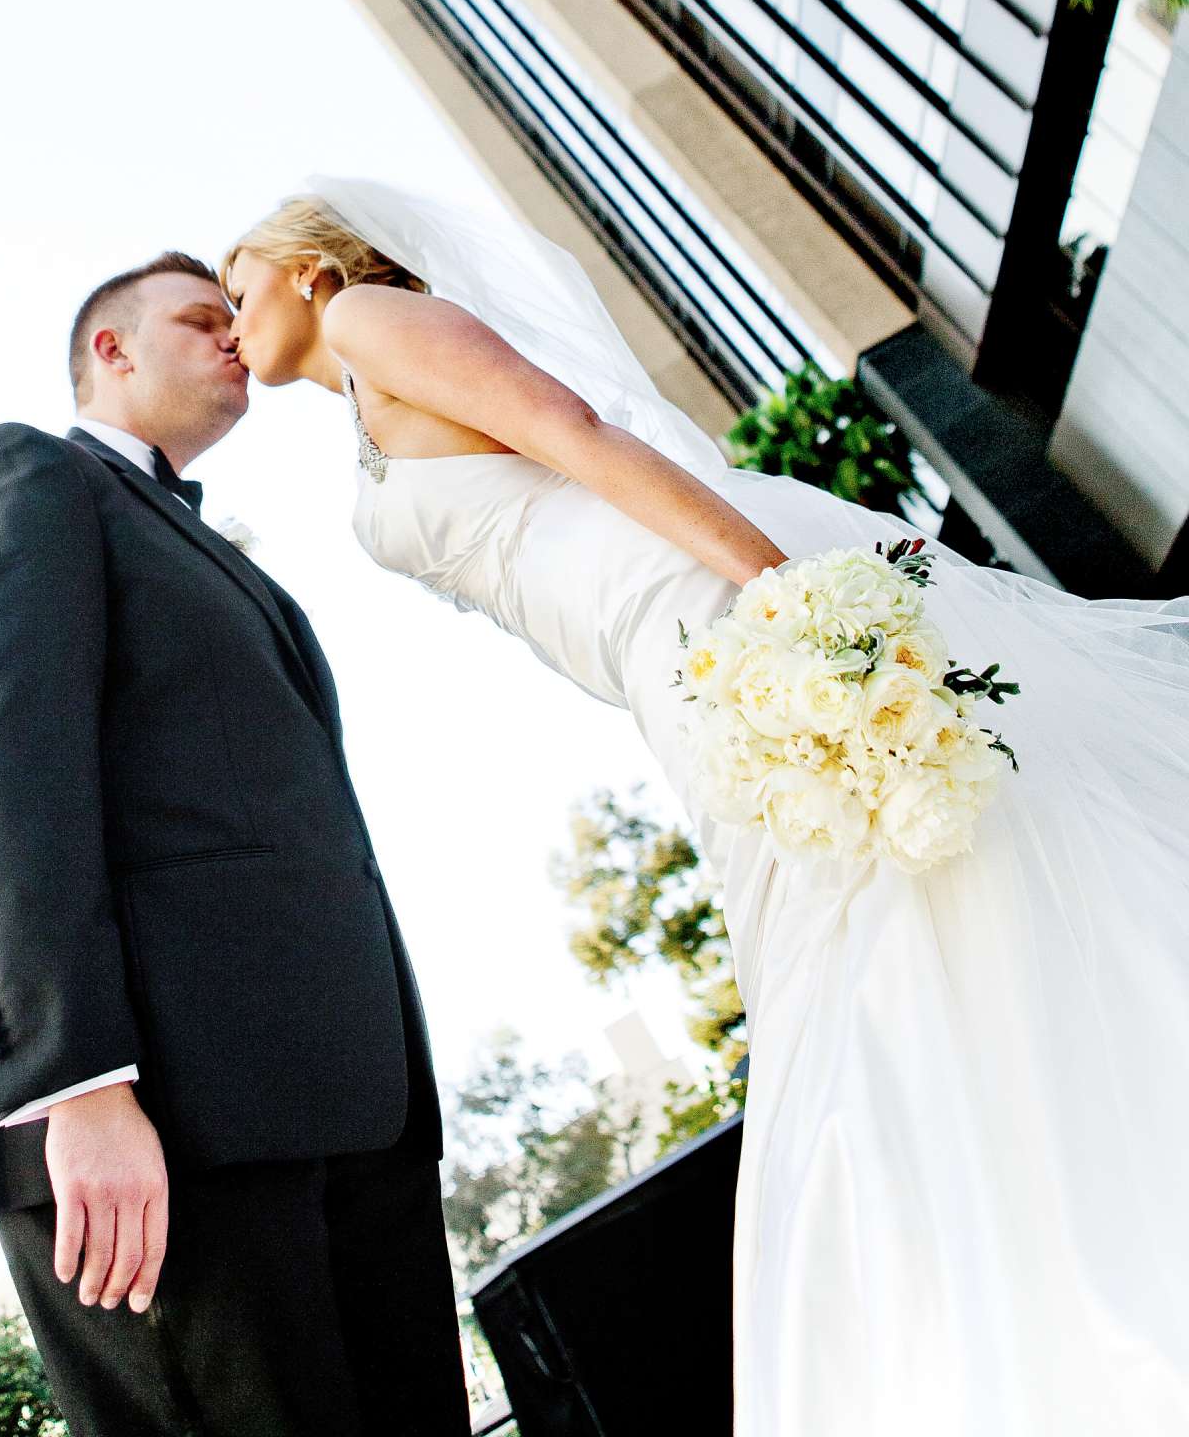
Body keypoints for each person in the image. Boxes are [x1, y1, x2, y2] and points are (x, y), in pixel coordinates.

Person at [221, 178, 1189, 1437]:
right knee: (878, 904)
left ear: (306, 268)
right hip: (659, 665)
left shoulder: (364, 320)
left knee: (874, 911)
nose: (230, 324)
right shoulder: (357, 396)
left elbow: (573, 431)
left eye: (235, 291)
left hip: (706, 621)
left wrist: (784, 602)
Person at [0, 250, 469, 1437]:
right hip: (164, 1117)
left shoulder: (202, 542)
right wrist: (80, 1084)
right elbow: (2, 778)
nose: (235, 339)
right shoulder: (25, 476)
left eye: (234, 318)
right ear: (109, 351)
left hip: (341, 1101)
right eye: (199, 318)